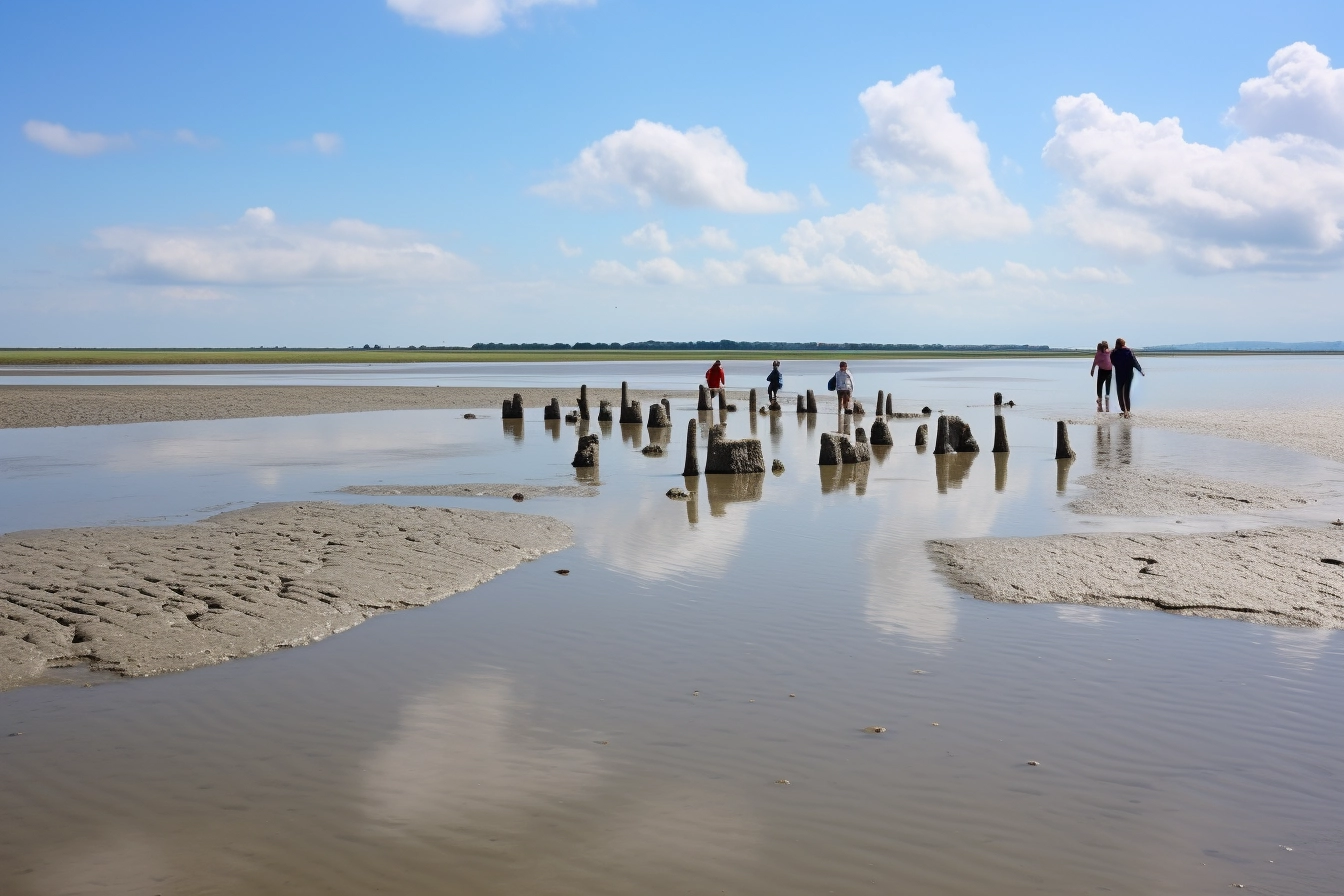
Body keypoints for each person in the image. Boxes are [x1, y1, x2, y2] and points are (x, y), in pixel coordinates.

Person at [1110, 338, 1144, 417]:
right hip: (1129, 373)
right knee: (1126, 392)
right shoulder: (1129, 351)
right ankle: (1127, 410)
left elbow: (1112, 362)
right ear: (1123, 344)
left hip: (1119, 374)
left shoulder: (1114, 353)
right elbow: (1134, 362)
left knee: (1120, 391)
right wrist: (1140, 370)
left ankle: (1123, 409)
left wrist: (1118, 366)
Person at [1090, 340, 1112, 412]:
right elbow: (1095, 362)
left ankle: (1104, 407)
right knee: (1103, 387)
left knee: (1103, 387)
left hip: (1106, 371)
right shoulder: (1103, 353)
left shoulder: (1104, 352)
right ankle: (1104, 406)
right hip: (1105, 371)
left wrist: (1092, 370)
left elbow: (1095, 362)